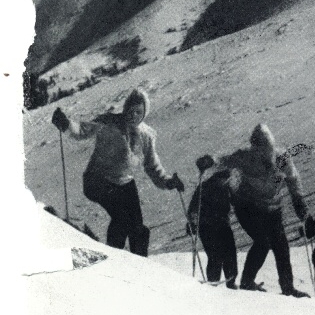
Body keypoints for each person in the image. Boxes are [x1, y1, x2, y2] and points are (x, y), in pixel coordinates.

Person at [51, 89, 184, 257]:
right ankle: (114, 259)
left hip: (124, 182)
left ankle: (141, 265)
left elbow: (152, 166)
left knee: (138, 228)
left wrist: (168, 181)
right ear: (125, 108)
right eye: (130, 110)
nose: (133, 115)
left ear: (144, 114)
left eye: (138, 112)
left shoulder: (146, 136)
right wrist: (66, 124)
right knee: (122, 219)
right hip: (97, 180)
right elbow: (82, 130)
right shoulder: (109, 122)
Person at [220, 124, 309, 296]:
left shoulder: (282, 158)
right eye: (259, 150)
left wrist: (299, 202)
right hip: (247, 207)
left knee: (281, 247)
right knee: (262, 242)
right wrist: (209, 161)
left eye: (267, 150)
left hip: (272, 208)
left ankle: (287, 287)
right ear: (254, 148)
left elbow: (293, 180)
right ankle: (247, 281)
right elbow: (222, 161)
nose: (263, 155)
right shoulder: (245, 157)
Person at [187, 155, 238, 289]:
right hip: (208, 225)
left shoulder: (221, 185)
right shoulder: (204, 187)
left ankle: (229, 281)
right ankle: (218, 282)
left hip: (219, 223)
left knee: (228, 253)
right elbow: (193, 208)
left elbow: (236, 200)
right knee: (217, 255)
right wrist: (192, 222)